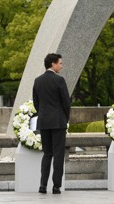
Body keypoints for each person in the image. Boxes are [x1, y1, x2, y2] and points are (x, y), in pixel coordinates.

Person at [33, 53, 71, 194]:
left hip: (44, 122)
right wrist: (65, 119)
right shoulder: (59, 80)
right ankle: (56, 186)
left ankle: (42, 185)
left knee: (47, 153)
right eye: (60, 63)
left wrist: (43, 114)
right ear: (53, 64)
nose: (61, 66)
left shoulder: (37, 81)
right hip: (58, 122)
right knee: (58, 154)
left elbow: (37, 103)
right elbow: (66, 103)